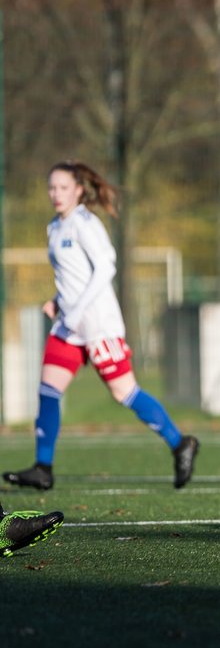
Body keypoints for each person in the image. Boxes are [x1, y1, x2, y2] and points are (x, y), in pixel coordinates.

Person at [2, 161, 199, 492]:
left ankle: (181, 444)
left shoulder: (84, 223)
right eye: (52, 188)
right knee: (48, 392)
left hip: (98, 325)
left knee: (125, 393)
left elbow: (106, 266)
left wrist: (77, 307)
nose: (56, 194)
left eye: (63, 187)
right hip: (69, 326)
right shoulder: (54, 226)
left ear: (79, 189)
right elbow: (73, 276)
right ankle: (43, 468)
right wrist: (57, 300)